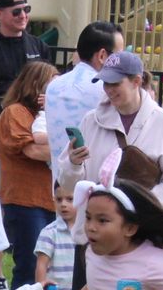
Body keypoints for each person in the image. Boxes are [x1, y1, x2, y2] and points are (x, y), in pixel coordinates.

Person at [68, 51, 163, 215]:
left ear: (136, 82)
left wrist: (133, 205)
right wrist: (73, 165)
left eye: (115, 83)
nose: (109, 89)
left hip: (145, 226)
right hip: (100, 227)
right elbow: (69, 184)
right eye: (106, 83)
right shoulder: (90, 121)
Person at [0, 60, 59, 282]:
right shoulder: (15, 112)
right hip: (25, 201)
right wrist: (68, 149)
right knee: (30, 265)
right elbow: (33, 151)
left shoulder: (50, 116)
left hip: (53, 201)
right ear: (36, 85)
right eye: (52, 86)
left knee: (53, 267)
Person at [44, 21, 124, 189]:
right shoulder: (106, 90)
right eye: (119, 56)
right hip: (95, 189)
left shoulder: (53, 87)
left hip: (60, 186)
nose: (122, 62)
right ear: (102, 56)